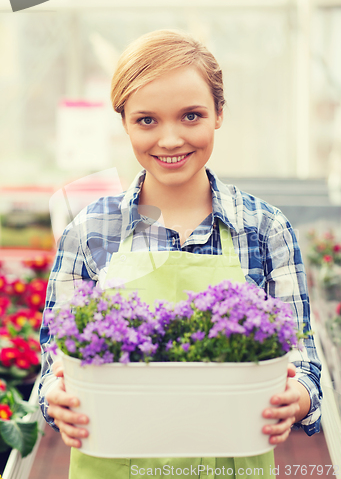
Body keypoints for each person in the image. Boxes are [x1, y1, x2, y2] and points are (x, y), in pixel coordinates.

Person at [39, 30, 322, 479]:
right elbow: (54, 364)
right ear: (125, 123)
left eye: (191, 116)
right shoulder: (88, 231)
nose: (170, 139)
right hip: (111, 463)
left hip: (234, 463)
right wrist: (57, 396)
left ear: (219, 114)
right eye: (146, 120)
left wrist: (298, 396)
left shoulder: (266, 229)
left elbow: (303, 361)